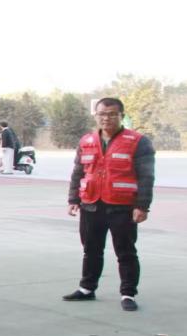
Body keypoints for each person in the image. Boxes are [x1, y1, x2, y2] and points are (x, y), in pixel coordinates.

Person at [63, 97, 155, 312]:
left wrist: (142, 206)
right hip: (91, 204)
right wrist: (73, 199)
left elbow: (146, 176)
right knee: (91, 249)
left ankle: (128, 293)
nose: (106, 118)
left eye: (112, 114)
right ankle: (87, 288)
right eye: (102, 114)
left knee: (126, 252)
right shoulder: (86, 141)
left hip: (122, 207)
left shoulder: (138, 141)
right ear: (96, 116)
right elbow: (78, 172)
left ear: (122, 116)